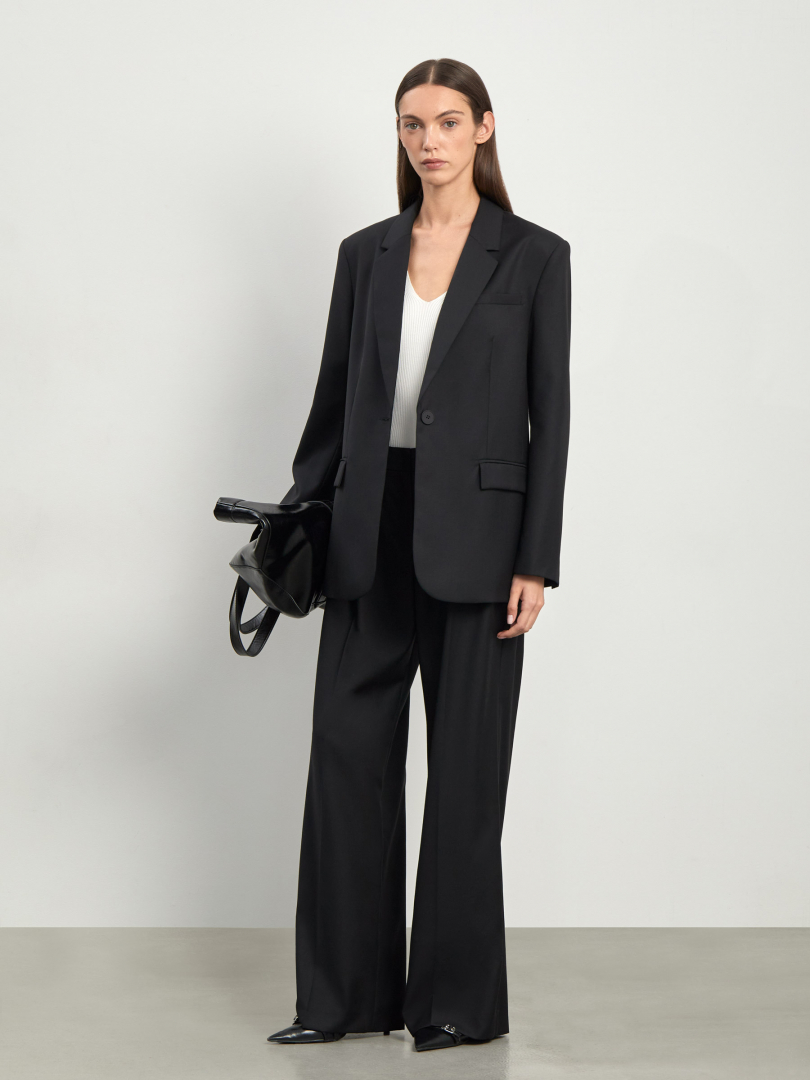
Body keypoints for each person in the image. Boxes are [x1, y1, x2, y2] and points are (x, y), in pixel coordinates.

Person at [267, 57, 571, 1053]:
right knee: (346, 762)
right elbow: (332, 402)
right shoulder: (365, 253)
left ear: (484, 128)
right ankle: (343, 999)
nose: (428, 140)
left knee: (466, 777)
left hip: (482, 544)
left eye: (446, 121)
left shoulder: (534, 256)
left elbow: (550, 418)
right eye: (410, 123)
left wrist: (536, 560)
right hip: (368, 531)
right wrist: (300, 522)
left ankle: (453, 1004)